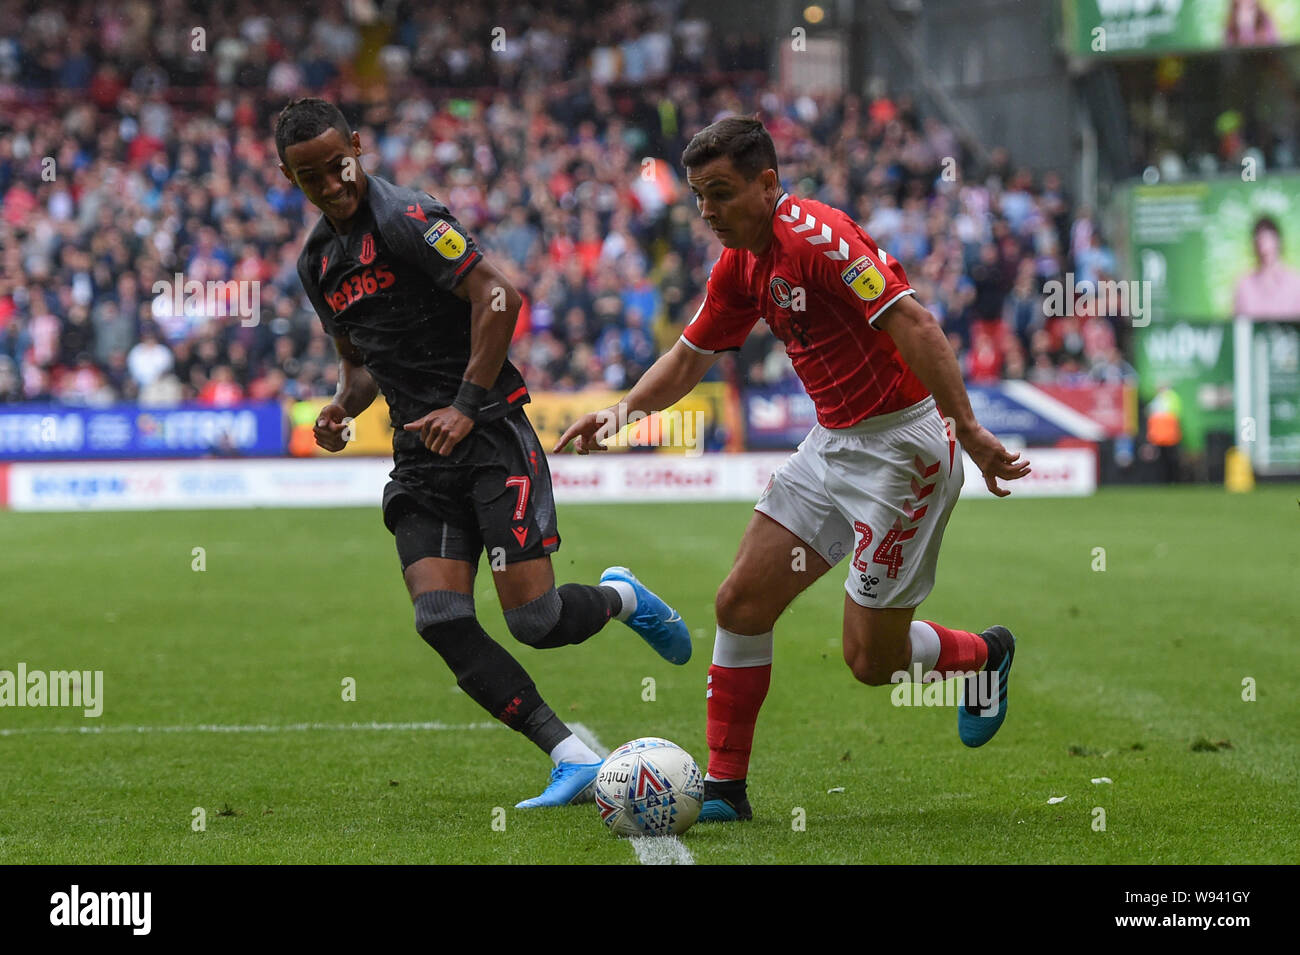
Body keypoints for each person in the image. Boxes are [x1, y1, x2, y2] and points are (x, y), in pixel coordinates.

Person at [556, 117, 1031, 822]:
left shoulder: (819, 239)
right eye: (698, 197)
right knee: (740, 603)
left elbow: (918, 325)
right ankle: (723, 792)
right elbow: (690, 356)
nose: (708, 211)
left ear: (768, 182)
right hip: (833, 443)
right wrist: (623, 413)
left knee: (871, 662)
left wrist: (969, 428)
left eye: (721, 193)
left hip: (905, 454)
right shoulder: (740, 262)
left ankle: (984, 656)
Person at [277, 98, 690, 809]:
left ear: (357, 146)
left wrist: (465, 406)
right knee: (439, 617)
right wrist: (344, 407)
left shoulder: (409, 220)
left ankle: (622, 596)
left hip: (489, 431)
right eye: (310, 176)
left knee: (536, 622)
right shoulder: (318, 262)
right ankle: (568, 753)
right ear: (292, 177)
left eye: (337, 164)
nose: (330, 183)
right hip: (419, 455)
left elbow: (500, 297)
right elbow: (362, 362)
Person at [1232, 216, 1300, 319]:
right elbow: (1237, 326)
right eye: (1260, 241)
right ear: (1254, 246)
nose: (1265, 248)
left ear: (1279, 242)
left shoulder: (1295, 283)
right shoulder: (1244, 285)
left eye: (1269, 240)